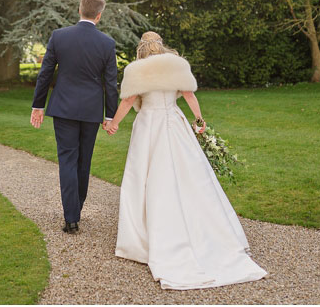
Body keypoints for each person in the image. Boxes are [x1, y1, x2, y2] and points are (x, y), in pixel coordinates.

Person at [106, 31, 267, 289]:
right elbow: (189, 95)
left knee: (146, 179)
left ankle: (144, 238)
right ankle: (204, 231)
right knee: (190, 175)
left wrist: (114, 123)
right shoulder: (177, 65)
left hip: (149, 126)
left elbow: (128, 100)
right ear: (161, 45)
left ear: (141, 48)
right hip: (173, 121)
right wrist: (199, 121)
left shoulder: (135, 70)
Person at [29, 0, 118, 233]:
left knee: (67, 160)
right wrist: (110, 115)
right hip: (91, 111)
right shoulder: (107, 44)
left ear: (80, 10)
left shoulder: (59, 36)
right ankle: (75, 210)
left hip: (64, 108)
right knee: (84, 161)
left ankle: (71, 217)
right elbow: (110, 84)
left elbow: (45, 74)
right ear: (99, 16)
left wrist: (38, 105)